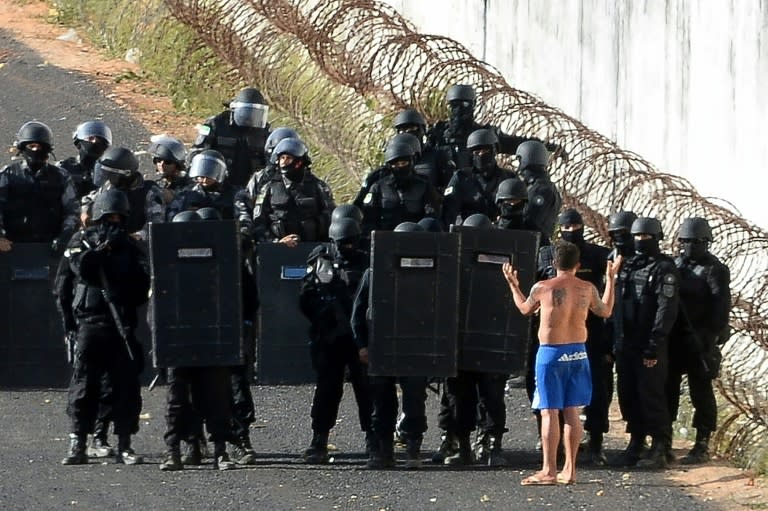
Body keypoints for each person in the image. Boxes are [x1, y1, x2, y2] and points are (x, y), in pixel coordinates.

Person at [503, 240, 620, 485]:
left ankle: (549, 470)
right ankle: (570, 469)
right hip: (578, 353)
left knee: (548, 411)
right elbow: (606, 310)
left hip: (551, 353)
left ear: (554, 263)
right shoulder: (587, 288)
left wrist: (514, 286)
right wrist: (611, 279)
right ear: (578, 265)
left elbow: (525, 309)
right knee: (572, 412)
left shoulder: (543, 287)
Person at [54, 189, 150, 465]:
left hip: (121, 326)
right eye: (109, 216)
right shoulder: (80, 241)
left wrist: (120, 257)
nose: (114, 222)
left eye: (119, 217)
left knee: (125, 387)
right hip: (89, 324)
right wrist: (69, 325)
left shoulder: (130, 248)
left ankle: (124, 443)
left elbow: (143, 285)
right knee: (84, 387)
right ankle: (77, 443)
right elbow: (74, 275)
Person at [158, 211, 236, 471]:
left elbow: (235, 297)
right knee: (177, 403)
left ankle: (220, 451)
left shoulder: (220, 260)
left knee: (215, 399)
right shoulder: (165, 263)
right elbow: (156, 307)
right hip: (178, 342)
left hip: (210, 340)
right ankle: (175, 450)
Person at [351, 221, 431, 469]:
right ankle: (382, 451)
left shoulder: (432, 274)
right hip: (381, 346)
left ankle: (412, 449)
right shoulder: (374, 273)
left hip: (415, 346)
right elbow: (357, 313)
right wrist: (362, 345)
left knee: (415, 401)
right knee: (382, 402)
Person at [537, 209, 612, 465]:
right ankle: (553, 449)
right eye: (566, 226)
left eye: (576, 225)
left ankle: (596, 442)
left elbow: (607, 307)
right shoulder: (546, 255)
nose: (571, 230)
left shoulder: (599, 255)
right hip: (554, 337)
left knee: (595, 392)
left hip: (590, 335)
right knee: (551, 401)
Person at [299, 215, 373, 464]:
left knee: (367, 389)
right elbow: (305, 297)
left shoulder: (367, 259)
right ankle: (319, 440)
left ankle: (374, 439)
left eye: (350, 242)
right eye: (343, 243)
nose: (347, 248)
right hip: (330, 337)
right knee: (328, 390)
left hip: (360, 337)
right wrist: (324, 321)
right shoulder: (322, 261)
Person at [614, 217, 680, 469]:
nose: (641, 241)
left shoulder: (664, 269)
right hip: (626, 343)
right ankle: (636, 441)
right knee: (628, 395)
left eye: (646, 237)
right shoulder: (627, 266)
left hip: (649, 343)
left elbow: (666, 309)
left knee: (651, 395)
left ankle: (661, 446)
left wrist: (655, 341)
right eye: (638, 237)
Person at [667, 217, 731, 464]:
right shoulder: (676, 265)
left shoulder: (714, 269)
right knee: (668, 389)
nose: (689, 246)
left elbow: (720, 308)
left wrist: (707, 338)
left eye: (695, 242)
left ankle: (702, 443)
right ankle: (664, 440)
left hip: (700, 339)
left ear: (706, 243)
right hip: (675, 338)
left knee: (701, 393)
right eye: (686, 241)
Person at [0, 121, 78, 254]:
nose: (36, 150)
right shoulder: (8, 175)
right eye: (32, 146)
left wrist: (65, 237)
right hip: (12, 248)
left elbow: (72, 211)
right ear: (22, 148)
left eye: (40, 146)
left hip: (51, 248)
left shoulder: (61, 176)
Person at [251, 138, 335, 245]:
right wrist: (276, 243)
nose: (284, 162)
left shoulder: (318, 186)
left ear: (299, 162)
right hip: (277, 251)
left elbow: (331, 217)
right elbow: (258, 222)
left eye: (288, 158)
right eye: (282, 158)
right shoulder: (268, 188)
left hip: (314, 249)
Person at [190, 86, 271, 188]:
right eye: (247, 111)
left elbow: (270, 162)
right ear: (234, 109)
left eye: (255, 112)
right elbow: (197, 152)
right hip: (217, 184)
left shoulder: (264, 132)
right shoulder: (215, 124)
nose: (249, 116)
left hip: (251, 186)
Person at [81, 147, 165, 242]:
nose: (108, 178)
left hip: (138, 247)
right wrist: (85, 212)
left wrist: (139, 236)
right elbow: (88, 199)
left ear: (126, 174)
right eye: (106, 173)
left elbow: (156, 222)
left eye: (111, 175)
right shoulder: (109, 186)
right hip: (108, 241)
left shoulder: (149, 191)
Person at [359, 142, 440, 234]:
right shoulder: (378, 187)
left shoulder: (424, 186)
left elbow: (432, 215)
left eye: (404, 163)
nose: (401, 167)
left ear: (411, 162)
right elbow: (368, 218)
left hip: (416, 238)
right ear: (390, 166)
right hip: (385, 239)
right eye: (397, 165)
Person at [441, 128, 517, 227]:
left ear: (495, 150)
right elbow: (449, 213)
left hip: (499, 234)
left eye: (485, 150)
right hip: (468, 233)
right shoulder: (461, 178)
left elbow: (517, 212)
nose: (481, 155)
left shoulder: (508, 178)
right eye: (476, 152)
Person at [515, 140, 562, 241]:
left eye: (519, 161)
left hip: (529, 245)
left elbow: (528, 221)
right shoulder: (549, 187)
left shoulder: (539, 189)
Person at [58, 120, 113, 199]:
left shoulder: (108, 171)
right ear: (78, 143)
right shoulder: (63, 168)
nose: (95, 142)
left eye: (100, 140)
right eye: (91, 138)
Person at [147, 135, 191, 206]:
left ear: (177, 165)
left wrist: (172, 199)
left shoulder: (187, 185)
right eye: (158, 160)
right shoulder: (158, 181)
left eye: (167, 162)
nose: (161, 165)